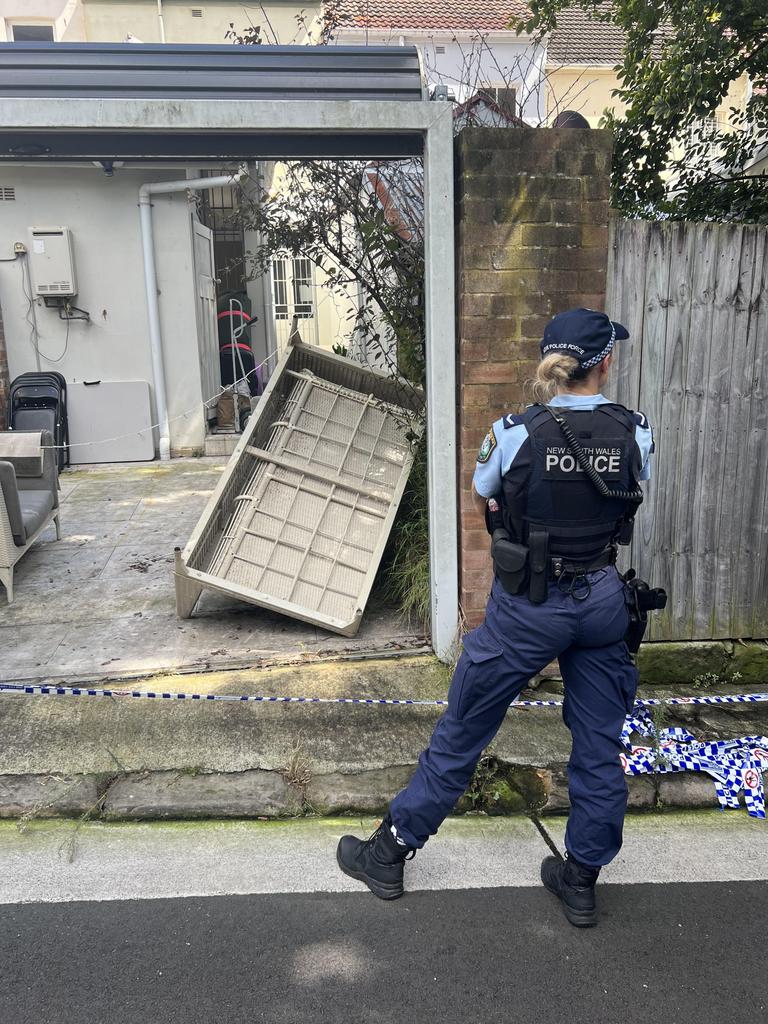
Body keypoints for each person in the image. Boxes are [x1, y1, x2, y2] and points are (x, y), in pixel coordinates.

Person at [336, 308, 655, 927]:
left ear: (552, 364)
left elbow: (483, 488)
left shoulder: (513, 431)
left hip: (529, 608)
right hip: (600, 601)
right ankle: (581, 880)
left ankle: (390, 852)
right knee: (598, 745)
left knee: (464, 729)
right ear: (605, 363)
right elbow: (633, 490)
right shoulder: (636, 431)